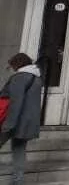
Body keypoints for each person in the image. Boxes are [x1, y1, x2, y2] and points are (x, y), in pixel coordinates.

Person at [0, 53, 43, 185]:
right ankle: (17, 181)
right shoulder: (37, 79)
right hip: (27, 124)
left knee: (17, 150)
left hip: (13, 121)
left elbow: (15, 102)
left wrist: (8, 125)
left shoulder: (19, 78)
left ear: (18, 64)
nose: (11, 69)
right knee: (19, 151)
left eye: (12, 66)